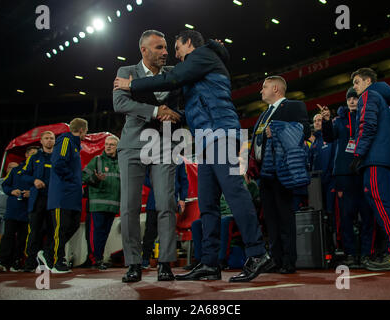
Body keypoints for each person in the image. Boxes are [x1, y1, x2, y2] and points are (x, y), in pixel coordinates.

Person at [114, 30, 274, 282]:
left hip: (224, 132)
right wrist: (169, 114)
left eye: (176, 47)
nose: (174, 54)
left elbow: (174, 79)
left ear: (189, 43)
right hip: (206, 139)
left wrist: (132, 85)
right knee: (207, 203)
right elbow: (191, 108)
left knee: (234, 191)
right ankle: (209, 262)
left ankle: (257, 252)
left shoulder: (202, 55)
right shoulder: (197, 69)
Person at [112, 30, 183, 283]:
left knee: (166, 204)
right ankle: (133, 264)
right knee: (129, 207)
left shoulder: (174, 72)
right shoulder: (126, 71)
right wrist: (156, 110)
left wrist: (175, 114)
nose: (165, 52)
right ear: (144, 50)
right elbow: (120, 104)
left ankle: (165, 262)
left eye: (166, 48)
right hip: (132, 145)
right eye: (159, 48)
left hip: (165, 144)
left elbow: (185, 105)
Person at [245, 76, 310, 274]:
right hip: (264, 173)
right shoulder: (264, 114)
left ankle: (289, 260)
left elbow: (304, 131)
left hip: (283, 171)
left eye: (264, 87)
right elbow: (258, 141)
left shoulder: (294, 106)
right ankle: (276, 258)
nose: (261, 91)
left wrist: (280, 130)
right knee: (271, 219)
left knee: (284, 216)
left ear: (275, 88)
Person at [349, 67, 390, 271]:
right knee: (385, 206)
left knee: (381, 206)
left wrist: (358, 154)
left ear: (367, 81)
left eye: (356, 82)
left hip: (374, 160)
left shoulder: (369, 96)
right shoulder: (385, 105)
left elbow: (367, 125)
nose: (354, 87)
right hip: (385, 161)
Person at [320, 88, 375, 268]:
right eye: (349, 98)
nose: (352, 101)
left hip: (363, 171)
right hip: (344, 174)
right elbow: (328, 137)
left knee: (367, 214)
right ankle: (350, 253)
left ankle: (367, 253)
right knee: (345, 217)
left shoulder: (366, 117)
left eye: (355, 98)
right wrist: (327, 121)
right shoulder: (339, 120)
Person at [38, 118, 88, 273]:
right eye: (86, 131)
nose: (86, 133)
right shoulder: (66, 140)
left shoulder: (74, 145)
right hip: (62, 195)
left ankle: (48, 253)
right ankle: (56, 260)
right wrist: (74, 180)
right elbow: (58, 163)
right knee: (61, 228)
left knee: (71, 226)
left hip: (71, 196)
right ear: (81, 130)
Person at [0, 147, 38, 272]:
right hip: (13, 209)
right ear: (26, 155)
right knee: (8, 236)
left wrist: (32, 193)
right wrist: (12, 191)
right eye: (31, 154)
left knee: (23, 238)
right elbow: (5, 184)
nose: (33, 156)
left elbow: (45, 188)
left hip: (29, 210)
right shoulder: (16, 170)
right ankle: (1, 262)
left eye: (36, 154)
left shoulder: (39, 172)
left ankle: (17, 261)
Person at [141, 159, 189, 269]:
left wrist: (182, 199)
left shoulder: (179, 161)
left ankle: (164, 261)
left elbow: (184, 181)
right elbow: (144, 177)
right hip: (153, 202)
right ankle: (145, 260)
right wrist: (158, 186)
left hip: (170, 200)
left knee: (167, 232)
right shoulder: (153, 159)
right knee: (150, 232)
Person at [82, 135, 121, 270]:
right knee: (96, 234)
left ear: (117, 147)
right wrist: (95, 178)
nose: (108, 146)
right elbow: (84, 177)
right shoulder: (97, 160)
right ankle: (95, 260)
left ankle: (98, 259)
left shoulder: (121, 163)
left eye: (112, 144)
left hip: (113, 205)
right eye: (107, 144)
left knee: (104, 234)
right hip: (97, 205)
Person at [20, 131, 55, 272]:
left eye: (52, 138)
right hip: (37, 200)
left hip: (53, 200)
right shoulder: (34, 158)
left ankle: (47, 261)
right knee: (35, 232)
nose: (49, 141)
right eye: (46, 138)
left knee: (52, 232)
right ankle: (30, 263)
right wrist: (34, 180)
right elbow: (23, 174)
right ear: (41, 141)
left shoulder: (58, 158)